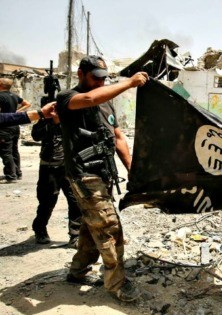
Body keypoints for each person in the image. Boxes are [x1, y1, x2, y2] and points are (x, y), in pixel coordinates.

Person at [56, 55, 148, 302]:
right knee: (108, 227)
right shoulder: (67, 98)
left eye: (103, 79)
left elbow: (118, 137)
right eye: (95, 78)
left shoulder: (107, 103)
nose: (100, 83)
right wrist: (128, 83)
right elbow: (89, 99)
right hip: (84, 175)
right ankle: (117, 284)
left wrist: (131, 168)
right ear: (81, 74)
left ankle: (77, 272)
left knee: (91, 226)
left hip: (104, 173)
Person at [31, 107, 82, 247]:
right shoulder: (43, 123)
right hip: (49, 167)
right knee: (47, 201)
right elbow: (36, 136)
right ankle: (40, 229)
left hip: (70, 168)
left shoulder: (72, 121)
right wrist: (52, 121)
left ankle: (75, 235)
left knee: (75, 201)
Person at [0, 78, 32, 183]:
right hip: (15, 127)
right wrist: (16, 113)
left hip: (4, 127)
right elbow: (27, 104)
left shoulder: (1, 96)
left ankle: (10, 176)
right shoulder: (14, 96)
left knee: (6, 152)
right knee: (14, 151)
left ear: (1, 85)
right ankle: (17, 173)